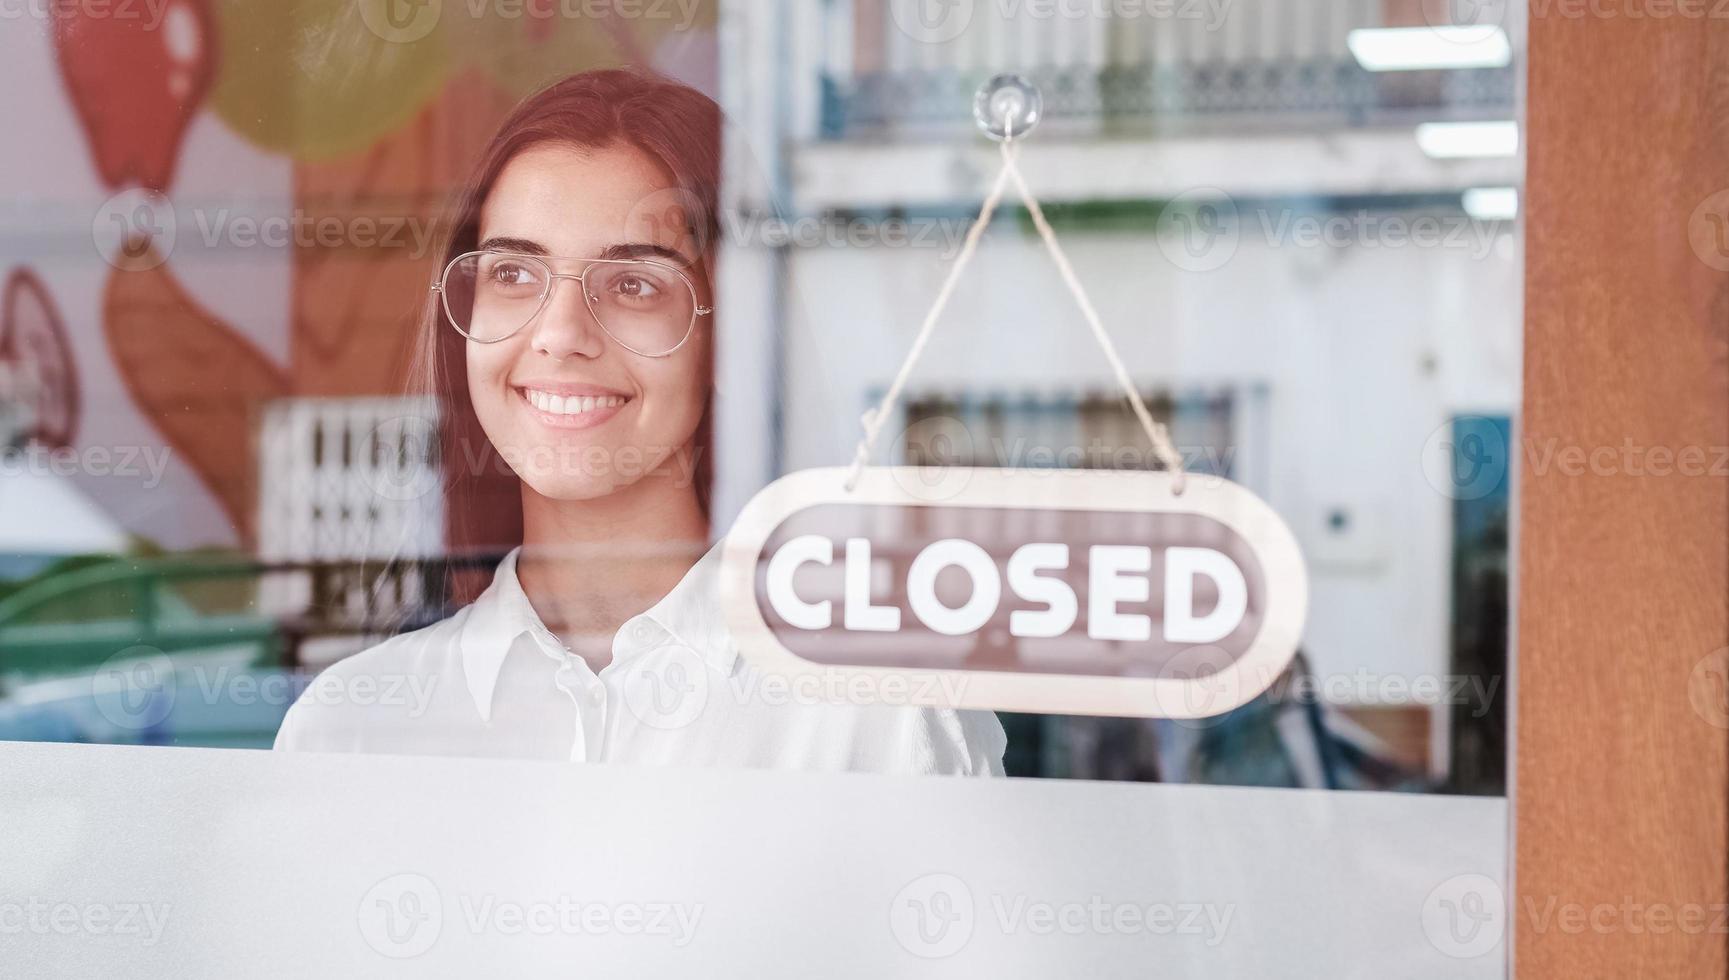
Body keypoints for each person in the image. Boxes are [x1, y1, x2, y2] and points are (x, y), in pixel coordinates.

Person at [273, 68, 1005, 776]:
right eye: (512, 274)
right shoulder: (350, 732)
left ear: (734, 334)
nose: (559, 334)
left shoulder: (882, 712)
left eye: (633, 284)